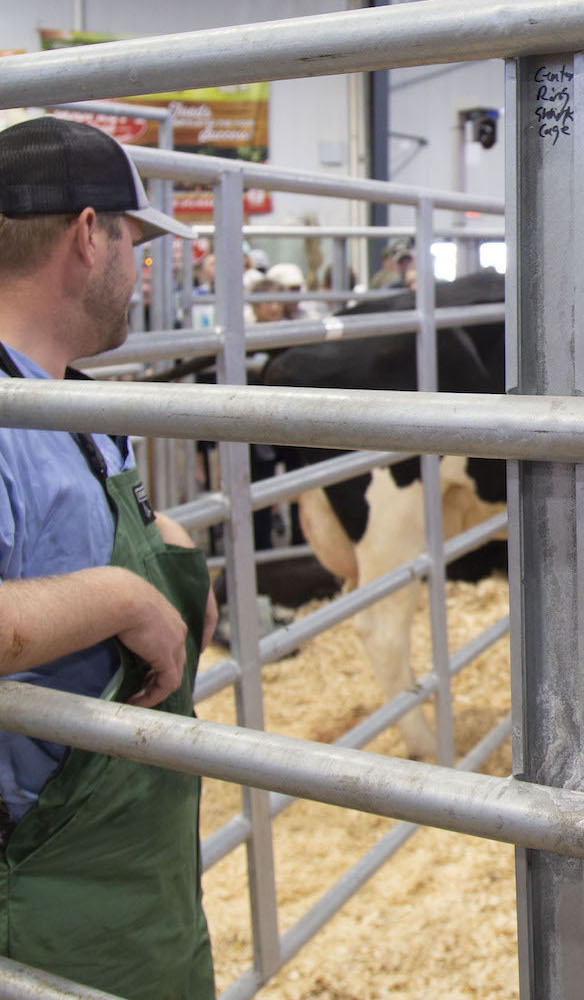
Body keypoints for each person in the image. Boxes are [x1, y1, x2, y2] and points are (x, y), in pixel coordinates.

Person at [0, 115, 216, 997]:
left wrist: (163, 551)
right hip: (41, 885)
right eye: (134, 240)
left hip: (138, 878)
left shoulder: (72, 404)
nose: (140, 270)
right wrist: (120, 598)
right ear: (89, 236)